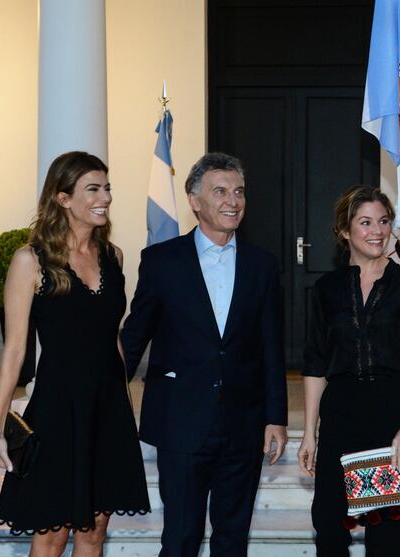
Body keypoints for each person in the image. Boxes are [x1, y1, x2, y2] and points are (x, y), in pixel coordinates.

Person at [120, 152, 288, 557]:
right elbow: (134, 338)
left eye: (239, 192)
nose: (233, 201)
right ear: (195, 201)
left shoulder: (262, 266)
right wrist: (102, 392)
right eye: (220, 191)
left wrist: (276, 419)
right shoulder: (161, 262)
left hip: (243, 426)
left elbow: (271, 347)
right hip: (179, 422)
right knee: (180, 538)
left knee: (232, 541)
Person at [0, 151, 151, 555]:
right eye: (93, 189)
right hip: (58, 409)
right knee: (51, 534)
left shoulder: (114, 258)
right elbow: (15, 348)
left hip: (108, 409)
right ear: (62, 199)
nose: (106, 197)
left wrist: (123, 405)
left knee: (95, 531)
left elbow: (112, 337)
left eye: (107, 188)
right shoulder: (31, 261)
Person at [297, 186, 400, 557]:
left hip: (391, 418)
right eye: (365, 222)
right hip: (340, 416)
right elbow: (315, 363)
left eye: (384, 221)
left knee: (386, 533)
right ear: (344, 231)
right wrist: (310, 433)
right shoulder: (325, 290)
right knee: (328, 526)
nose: (377, 231)